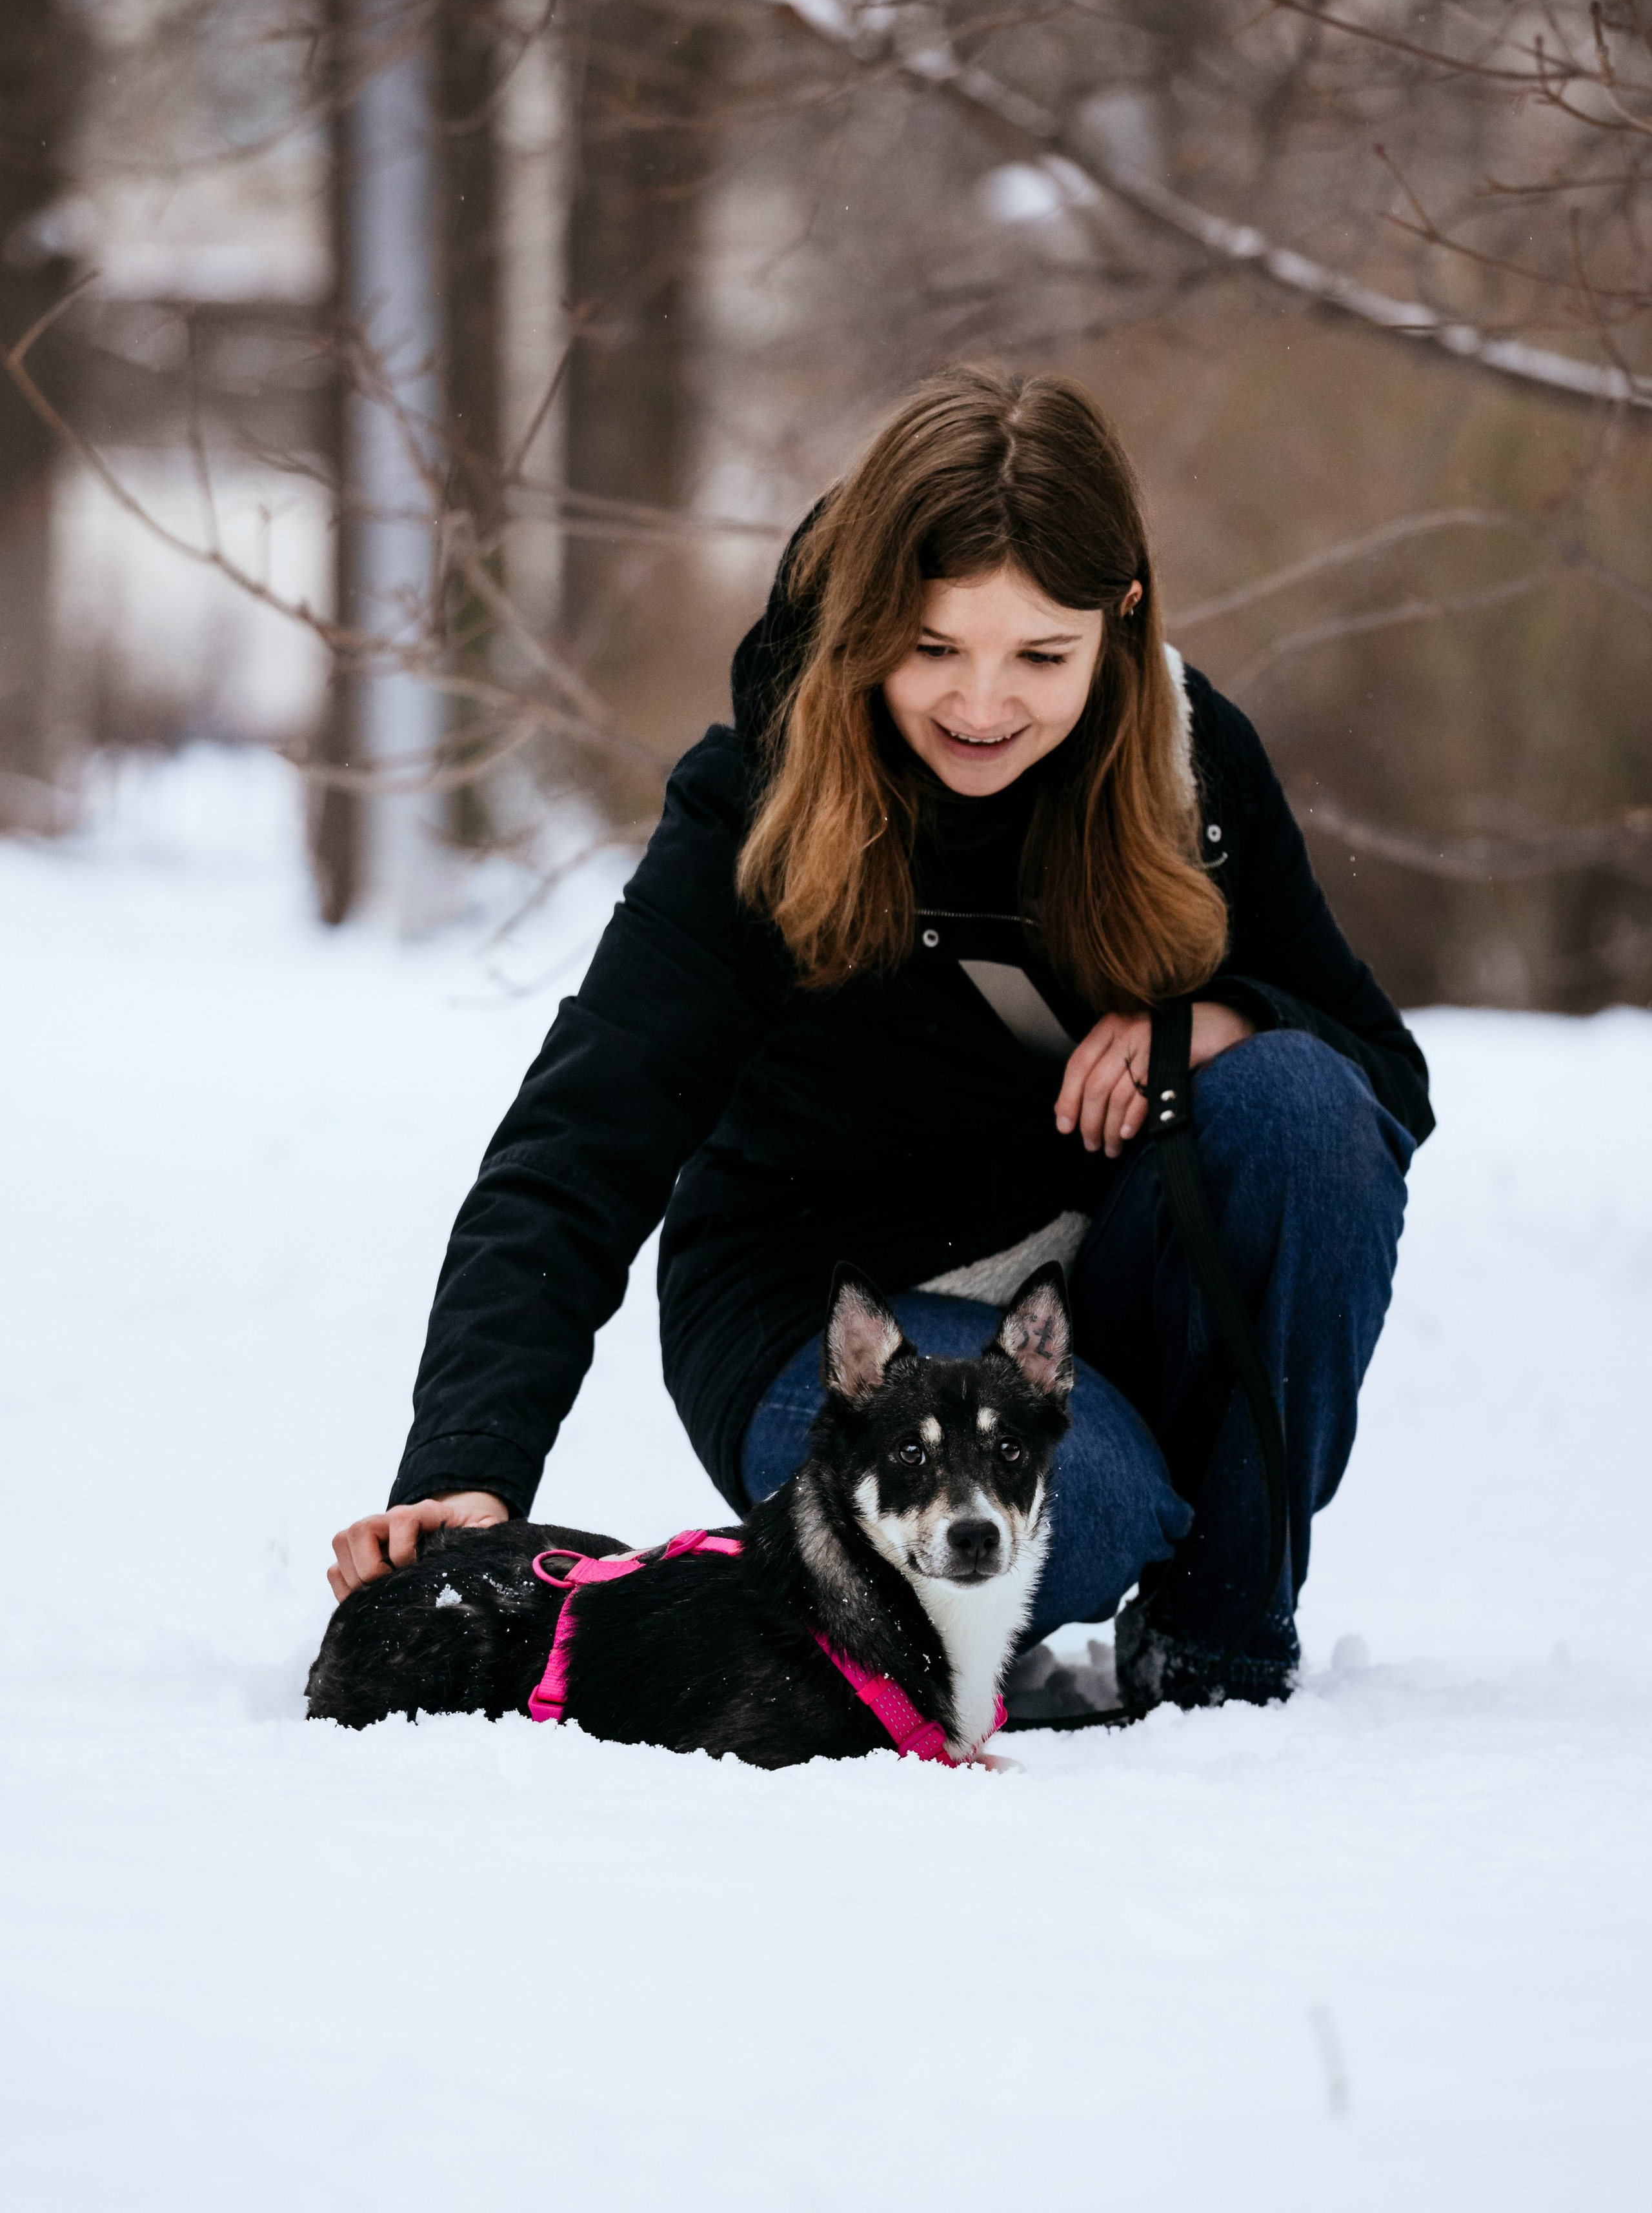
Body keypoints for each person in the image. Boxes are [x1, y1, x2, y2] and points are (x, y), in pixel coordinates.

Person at [327, 367, 1429, 1711]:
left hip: (1087, 1296)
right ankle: (982, 1591)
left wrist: (1220, 1018)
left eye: (1039, 656)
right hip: (829, 1310)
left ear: (1119, 617)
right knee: (1063, 1510)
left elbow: (1380, 1077)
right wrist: (467, 1464)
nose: (980, 705)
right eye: (931, 649)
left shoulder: (1194, 768)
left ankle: (1220, 1642)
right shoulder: (758, 796)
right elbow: (580, 1144)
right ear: (865, 620)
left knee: (1300, 1108)